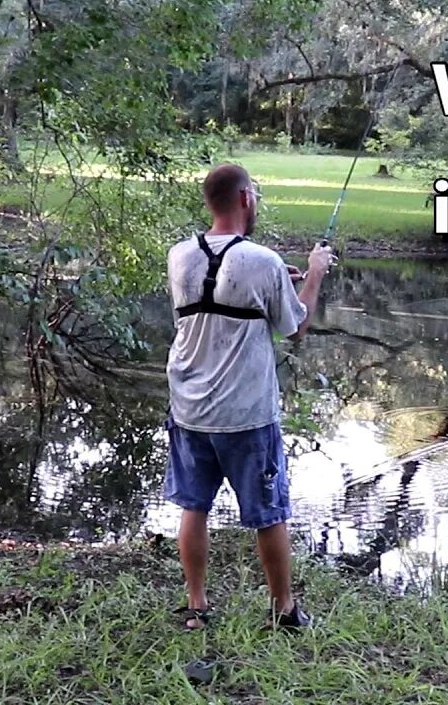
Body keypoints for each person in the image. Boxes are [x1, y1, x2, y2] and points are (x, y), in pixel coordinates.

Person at [163, 163, 335, 631]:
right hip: (245, 414)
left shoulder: (180, 255)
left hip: (189, 407)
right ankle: (284, 610)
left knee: (193, 506)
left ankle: (196, 607)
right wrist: (314, 273)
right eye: (254, 194)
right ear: (244, 200)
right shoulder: (264, 262)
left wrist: (279, 275)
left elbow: (215, 294)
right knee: (268, 513)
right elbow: (296, 327)